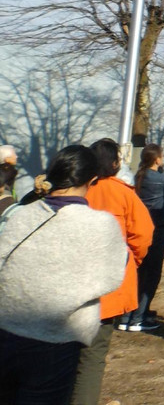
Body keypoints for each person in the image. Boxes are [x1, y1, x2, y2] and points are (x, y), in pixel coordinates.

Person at [0, 145, 126, 405]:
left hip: (6, 330)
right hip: (56, 339)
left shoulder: (21, 214)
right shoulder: (100, 225)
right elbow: (113, 275)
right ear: (92, 181)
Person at [70, 138, 154, 405]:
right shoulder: (124, 193)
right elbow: (143, 234)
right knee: (93, 357)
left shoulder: (75, 191)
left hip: (70, 282)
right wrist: (132, 261)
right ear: (116, 163)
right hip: (107, 285)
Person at [117, 145, 164, 332]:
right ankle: (139, 317)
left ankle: (126, 315)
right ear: (157, 159)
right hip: (156, 230)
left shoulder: (139, 176)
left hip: (136, 229)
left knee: (136, 273)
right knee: (152, 275)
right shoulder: (160, 179)